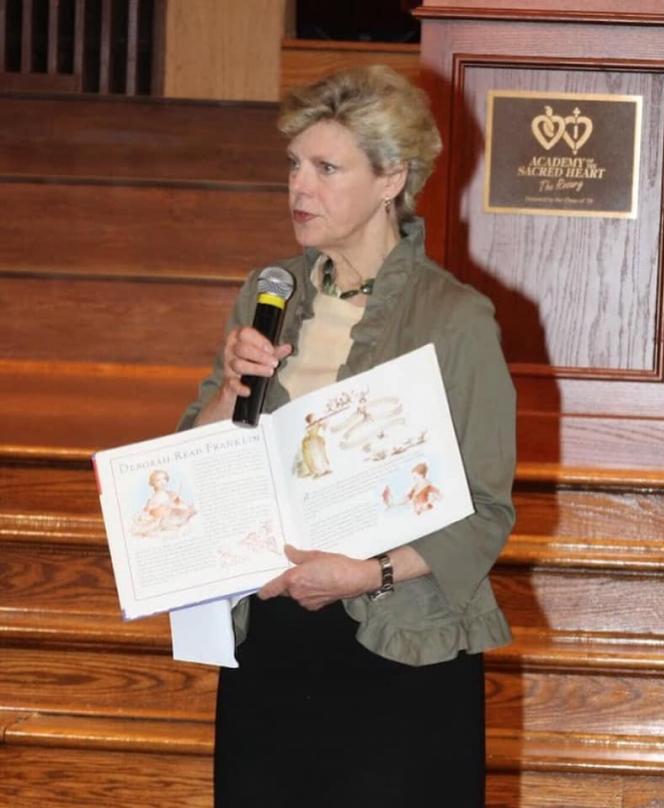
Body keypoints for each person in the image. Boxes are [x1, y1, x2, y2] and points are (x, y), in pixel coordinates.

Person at [177, 65, 517, 808]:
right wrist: (231, 391)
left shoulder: (455, 319)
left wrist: (366, 574)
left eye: (327, 168)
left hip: (397, 645)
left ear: (392, 177)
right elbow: (197, 459)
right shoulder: (271, 293)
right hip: (272, 640)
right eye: (295, 165)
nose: (300, 188)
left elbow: (486, 512)